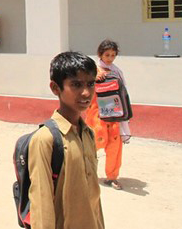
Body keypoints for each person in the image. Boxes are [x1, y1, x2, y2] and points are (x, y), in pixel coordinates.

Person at [28, 51, 104, 229]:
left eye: (90, 84)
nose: (86, 93)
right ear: (55, 88)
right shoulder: (45, 139)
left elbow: (94, 197)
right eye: (76, 85)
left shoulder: (88, 134)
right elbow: (41, 202)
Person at [86, 39, 131, 191]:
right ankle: (85, 172)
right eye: (107, 55)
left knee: (114, 144)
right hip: (97, 114)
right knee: (95, 142)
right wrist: (93, 80)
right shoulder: (92, 70)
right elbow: (84, 87)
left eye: (113, 55)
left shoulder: (116, 71)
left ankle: (112, 177)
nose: (110, 58)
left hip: (114, 114)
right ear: (100, 54)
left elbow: (123, 92)